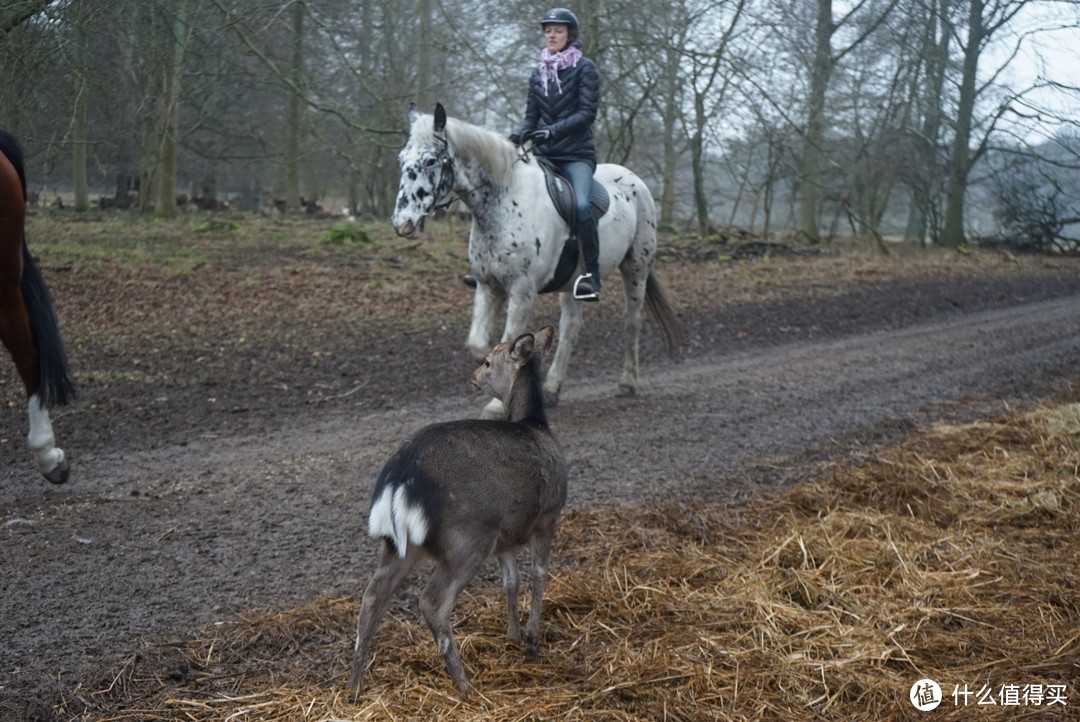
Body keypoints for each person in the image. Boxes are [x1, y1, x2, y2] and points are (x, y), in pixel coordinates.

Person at [510, 7, 602, 301]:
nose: (551, 35)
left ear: (569, 35)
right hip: (544, 156)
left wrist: (552, 131)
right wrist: (515, 135)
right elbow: (531, 117)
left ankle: (592, 276)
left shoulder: (585, 68)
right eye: (548, 30)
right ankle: (496, 267)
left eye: (558, 30)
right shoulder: (538, 73)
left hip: (576, 155)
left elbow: (587, 113)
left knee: (582, 206)